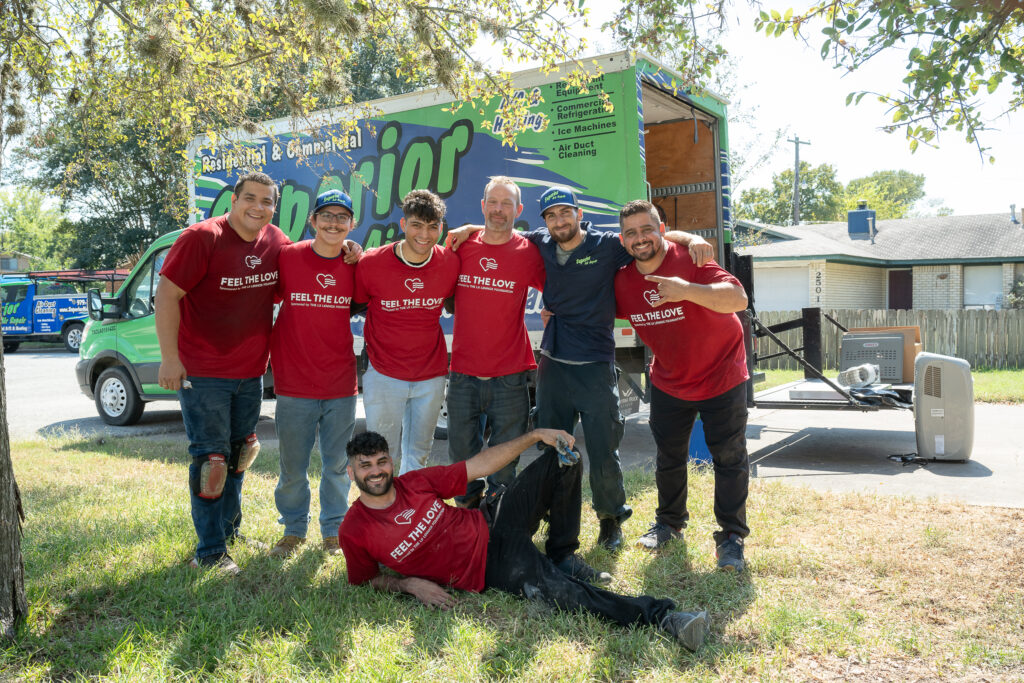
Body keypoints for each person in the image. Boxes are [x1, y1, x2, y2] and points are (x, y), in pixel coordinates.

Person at [448, 186, 713, 567]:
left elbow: (653, 239)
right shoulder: (539, 242)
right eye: (552, 215)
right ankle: (551, 518)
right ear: (544, 221)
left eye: (565, 213)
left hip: (595, 366)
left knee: (604, 451)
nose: (559, 221)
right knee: (554, 450)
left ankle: (610, 519)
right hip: (553, 365)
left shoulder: (608, 246)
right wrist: (470, 226)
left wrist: (695, 238)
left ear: (579, 212)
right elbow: (500, 229)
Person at [338, 429, 711, 652]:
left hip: (494, 518)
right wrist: (408, 584)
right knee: (562, 593)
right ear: (351, 470)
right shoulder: (355, 529)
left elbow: (481, 464)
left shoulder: (415, 482)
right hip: (493, 565)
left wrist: (536, 436)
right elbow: (363, 580)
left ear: (391, 462)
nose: (376, 471)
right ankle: (664, 618)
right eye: (366, 465)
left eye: (381, 462)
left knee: (565, 456)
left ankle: (562, 553)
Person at [156, 171, 289, 574]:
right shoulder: (202, 238)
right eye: (251, 198)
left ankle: (230, 531)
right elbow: (167, 295)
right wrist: (169, 359)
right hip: (203, 371)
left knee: (239, 453)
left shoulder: (276, 242)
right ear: (233, 200)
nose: (258, 207)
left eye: (267, 201)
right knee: (211, 460)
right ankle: (210, 551)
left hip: (250, 371)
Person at [613, 200, 750, 571]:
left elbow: (738, 299)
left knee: (728, 457)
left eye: (647, 229)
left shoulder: (691, 259)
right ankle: (669, 524)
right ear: (622, 239)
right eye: (631, 233)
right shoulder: (623, 280)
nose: (640, 238)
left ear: (662, 229)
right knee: (669, 457)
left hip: (722, 372)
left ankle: (732, 537)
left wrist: (686, 289)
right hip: (671, 379)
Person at [268, 189, 361, 559]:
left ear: (351, 224)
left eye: (342, 217)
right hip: (294, 383)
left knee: (337, 466)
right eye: (327, 215)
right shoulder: (288, 258)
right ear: (313, 220)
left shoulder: (357, 265)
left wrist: (358, 255)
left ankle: (334, 530)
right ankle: (293, 529)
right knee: (293, 467)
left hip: (340, 382)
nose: (334, 223)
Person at [446, 176, 546, 508]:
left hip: (510, 375)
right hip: (463, 374)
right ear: (482, 205)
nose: (499, 210)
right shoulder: (460, 247)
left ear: (519, 209)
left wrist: (553, 310)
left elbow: (562, 285)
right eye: (493, 202)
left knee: (505, 458)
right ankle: (467, 516)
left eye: (506, 204)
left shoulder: (529, 252)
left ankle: (498, 516)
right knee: (461, 456)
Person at [355, 189, 459, 475]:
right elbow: (355, 305)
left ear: (441, 227)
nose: (424, 234)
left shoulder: (449, 262)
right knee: (380, 455)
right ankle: (382, 515)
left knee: (418, 458)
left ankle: (410, 516)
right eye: (416, 225)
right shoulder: (371, 263)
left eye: (432, 226)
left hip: (430, 375)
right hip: (384, 373)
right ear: (403, 225)